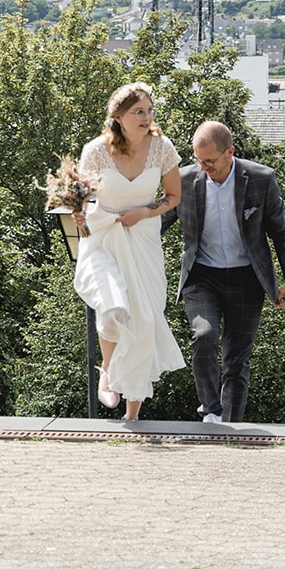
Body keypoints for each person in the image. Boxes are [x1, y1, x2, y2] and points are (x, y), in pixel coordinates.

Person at [162, 121, 285, 423]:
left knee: (236, 361)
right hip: (202, 277)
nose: (204, 167)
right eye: (199, 160)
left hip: (247, 280)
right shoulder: (183, 181)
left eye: (209, 161)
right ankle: (211, 412)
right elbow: (154, 223)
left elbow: (280, 231)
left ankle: (231, 428)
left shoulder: (261, 179)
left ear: (230, 153)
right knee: (204, 336)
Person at [71, 83, 185, 420]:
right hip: (103, 239)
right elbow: (80, 197)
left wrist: (144, 213)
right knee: (114, 308)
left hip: (144, 241)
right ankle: (107, 369)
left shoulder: (162, 148)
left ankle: (132, 414)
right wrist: (79, 212)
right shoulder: (95, 151)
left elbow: (173, 196)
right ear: (117, 117)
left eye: (150, 110)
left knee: (145, 319)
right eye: (139, 111)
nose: (147, 117)